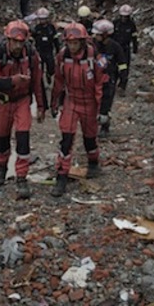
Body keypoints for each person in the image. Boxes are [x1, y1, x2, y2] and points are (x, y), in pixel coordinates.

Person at [0, 20, 46, 199]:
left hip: (22, 100)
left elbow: (37, 82)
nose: (18, 46)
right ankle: (2, 167)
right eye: (14, 41)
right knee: (2, 136)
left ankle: (21, 176)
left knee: (23, 136)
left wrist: (41, 106)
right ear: (8, 40)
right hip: (2, 101)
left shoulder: (32, 56)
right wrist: (12, 81)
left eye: (21, 42)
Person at [49, 22, 108, 197]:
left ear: (82, 42)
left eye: (75, 43)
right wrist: (54, 102)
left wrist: (101, 108)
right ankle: (61, 176)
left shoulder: (94, 57)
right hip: (71, 100)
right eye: (70, 43)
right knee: (66, 138)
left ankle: (93, 162)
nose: (72, 46)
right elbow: (58, 80)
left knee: (90, 138)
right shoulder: (62, 56)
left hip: (89, 101)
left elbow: (101, 82)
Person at [92, 19, 127, 137]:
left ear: (105, 35)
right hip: (95, 79)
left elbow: (122, 64)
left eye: (98, 34)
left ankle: (105, 126)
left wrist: (123, 81)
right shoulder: (93, 46)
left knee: (105, 105)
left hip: (109, 79)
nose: (95, 36)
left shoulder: (115, 47)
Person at [31, 7, 60, 85]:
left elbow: (55, 39)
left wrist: (58, 50)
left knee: (51, 67)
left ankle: (48, 74)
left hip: (49, 50)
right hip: (40, 51)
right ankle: (40, 83)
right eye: (41, 19)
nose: (42, 21)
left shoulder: (51, 28)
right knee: (39, 68)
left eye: (44, 19)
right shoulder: (37, 28)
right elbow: (32, 39)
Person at [112, 4, 138, 93]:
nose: (124, 18)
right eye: (123, 16)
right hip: (115, 49)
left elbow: (134, 36)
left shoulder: (131, 24)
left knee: (124, 67)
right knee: (113, 67)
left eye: (126, 16)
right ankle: (113, 84)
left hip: (125, 49)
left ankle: (122, 85)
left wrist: (135, 47)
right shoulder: (115, 23)